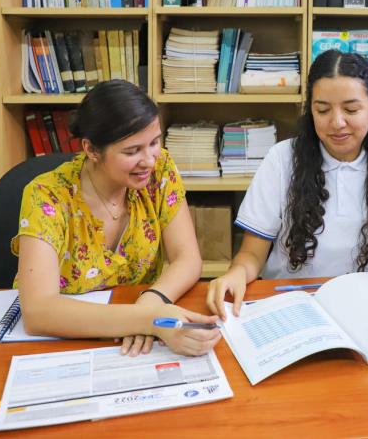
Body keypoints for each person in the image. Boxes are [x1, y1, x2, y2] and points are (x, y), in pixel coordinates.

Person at [207, 50, 368, 319]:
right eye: (323, 110)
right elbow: (251, 254)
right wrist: (236, 273)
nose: (337, 123)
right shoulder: (282, 160)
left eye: (351, 109)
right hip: (293, 307)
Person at [13, 80, 221, 357]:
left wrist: (151, 302)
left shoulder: (160, 170)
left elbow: (187, 258)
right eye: (132, 151)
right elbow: (38, 312)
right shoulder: (47, 196)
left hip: (137, 342)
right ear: (91, 150)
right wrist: (151, 320)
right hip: (64, 343)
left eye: (154, 143)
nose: (148, 160)